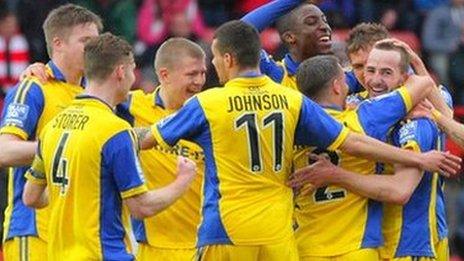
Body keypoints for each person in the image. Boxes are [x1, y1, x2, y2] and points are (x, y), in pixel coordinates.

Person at [137, 20, 460, 261]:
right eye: (363, 69)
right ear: (338, 84)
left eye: (381, 71)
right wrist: (420, 151)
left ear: (228, 59)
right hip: (298, 239)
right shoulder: (302, 106)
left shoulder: (209, 104)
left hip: (234, 230)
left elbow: (148, 138)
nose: (369, 79)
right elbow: (351, 142)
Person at [21, 33, 197, 261]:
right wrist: (183, 180)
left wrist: (74, 194)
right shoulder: (115, 132)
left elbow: (31, 197)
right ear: (121, 72)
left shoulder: (53, 127)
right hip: (104, 254)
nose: (134, 78)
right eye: (133, 70)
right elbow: (140, 207)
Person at [292, 42, 453, 261]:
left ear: (404, 77)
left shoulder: (292, 127)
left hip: (406, 244)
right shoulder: (363, 116)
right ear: (339, 85)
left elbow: (400, 190)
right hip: (362, 246)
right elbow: (423, 84)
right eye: (366, 70)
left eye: (386, 72)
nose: (374, 80)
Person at [0, 4, 102, 260]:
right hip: (34, 230)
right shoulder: (34, 87)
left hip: (75, 236)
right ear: (58, 43)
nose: (94, 49)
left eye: (96, 42)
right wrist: (63, 146)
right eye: (85, 41)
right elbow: (4, 151)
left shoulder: (95, 95)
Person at [116, 37, 207, 261]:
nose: (200, 81)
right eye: (192, 74)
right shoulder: (133, 106)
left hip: (204, 245)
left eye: (203, 73)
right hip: (151, 248)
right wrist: (42, 71)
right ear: (164, 75)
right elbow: (88, 94)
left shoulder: (209, 112)